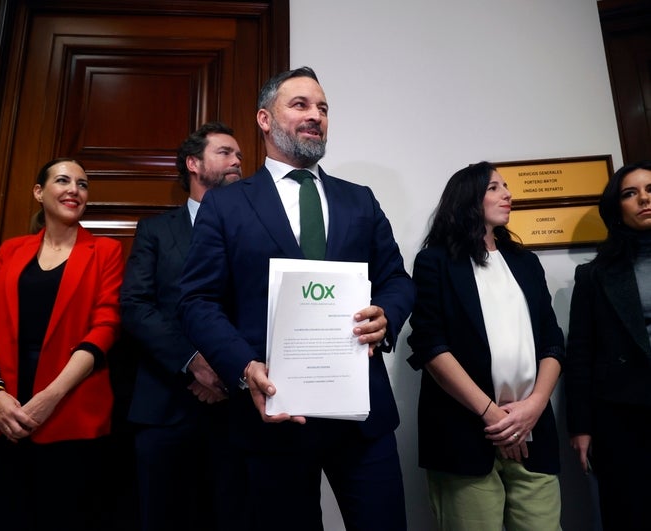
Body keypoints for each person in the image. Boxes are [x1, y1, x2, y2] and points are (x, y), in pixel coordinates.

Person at [178, 66, 415, 531]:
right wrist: (245, 368)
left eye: (323, 108)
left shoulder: (359, 200)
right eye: (301, 105)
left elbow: (398, 279)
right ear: (264, 119)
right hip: (273, 415)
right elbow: (197, 301)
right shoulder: (225, 205)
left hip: (361, 418)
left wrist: (386, 314)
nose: (316, 116)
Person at [0, 158, 124, 531]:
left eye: (82, 185)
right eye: (63, 181)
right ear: (39, 192)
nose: (74, 190)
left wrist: (51, 396)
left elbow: (106, 326)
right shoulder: (11, 250)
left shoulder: (106, 252)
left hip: (71, 409)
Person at [406, 161, 564, 531]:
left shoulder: (525, 262)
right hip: (463, 433)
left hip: (532, 431)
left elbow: (552, 342)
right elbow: (430, 345)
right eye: (494, 187)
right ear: (467, 198)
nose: (507, 194)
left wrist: (534, 407)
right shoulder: (435, 262)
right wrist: (492, 416)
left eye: (505, 187)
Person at [119, 121, 243, 531]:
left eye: (239, 154)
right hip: (164, 406)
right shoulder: (156, 231)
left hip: (236, 408)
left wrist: (224, 372)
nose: (237, 160)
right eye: (225, 152)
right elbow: (137, 306)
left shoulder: (252, 230)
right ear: (193, 163)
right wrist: (194, 363)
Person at [565, 160, 651, 530]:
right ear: (618, 207)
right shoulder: (594, 275)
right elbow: (580, 353)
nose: (644, 199)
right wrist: (580, 427)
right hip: (621, 415)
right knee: (629, 513)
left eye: (650, 190)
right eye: (630, 193)